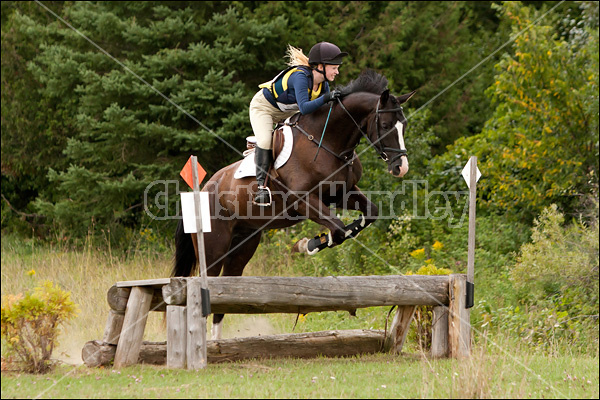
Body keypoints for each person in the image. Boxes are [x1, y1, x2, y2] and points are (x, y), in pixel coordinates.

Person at [250, 41, 349, 206]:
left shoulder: (323, 84)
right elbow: (304, 108)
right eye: (334, 67)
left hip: (287, 111)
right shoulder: (300, 77)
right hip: (264, 108)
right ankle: (261, 188)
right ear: (321, 66)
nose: (337, 71)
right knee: (266, 141)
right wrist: (327, 97)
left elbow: (322, 112)